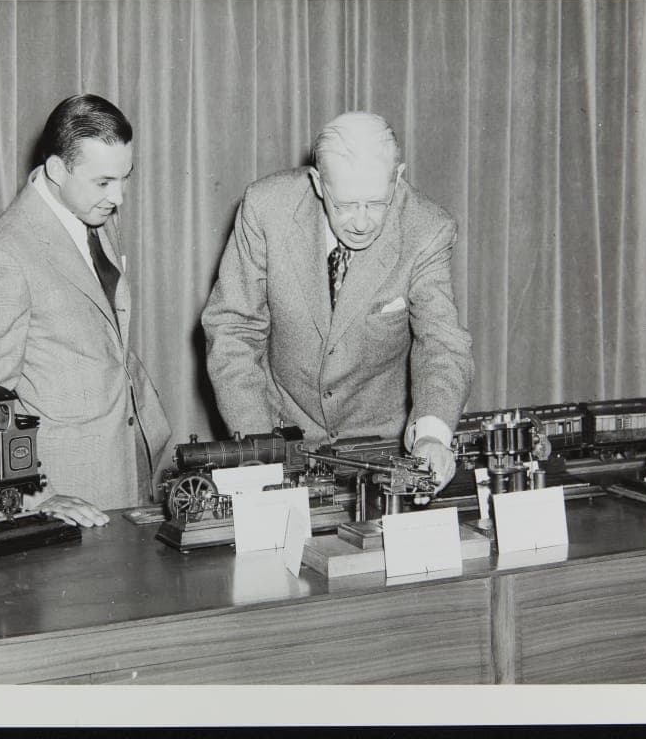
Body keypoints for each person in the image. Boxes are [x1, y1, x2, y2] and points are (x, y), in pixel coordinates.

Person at [201, 111, 474, 493]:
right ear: (317, 181)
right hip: (280, 435)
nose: (361, 222)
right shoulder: (267, 209)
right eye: (344, 205)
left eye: (376, 203)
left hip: (381, 448)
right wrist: (262, 451)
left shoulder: (427, 229)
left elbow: (442, 343)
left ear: (397, 177)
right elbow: (233, 329)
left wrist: (430, 436)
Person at [0, 94, 172, 526]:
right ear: (57, 170)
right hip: (71, 499)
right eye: (105, 182)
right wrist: (37, 495)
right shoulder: (4, 260)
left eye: (125, 179)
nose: (120, 198)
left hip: (128, 473)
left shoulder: (88, 211)